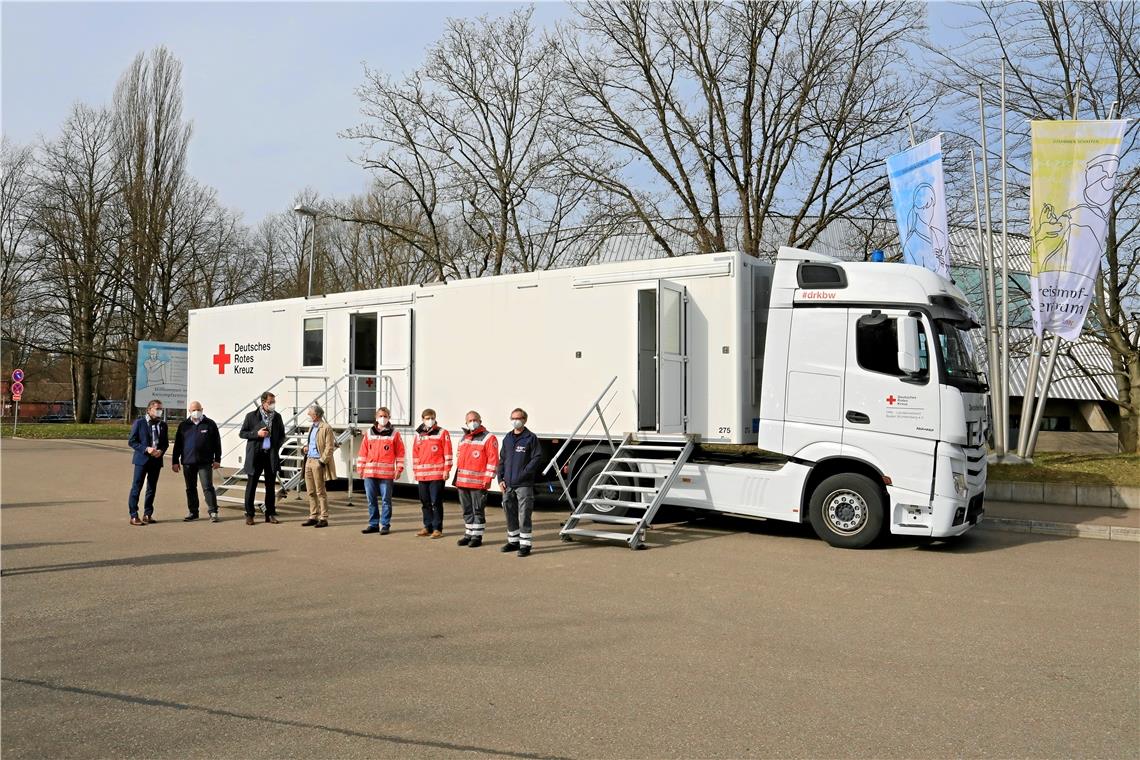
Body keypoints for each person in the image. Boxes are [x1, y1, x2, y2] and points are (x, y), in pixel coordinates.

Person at [497, 408, 542, 557]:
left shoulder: (530, 438)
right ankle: (513, 541)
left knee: (524, 515)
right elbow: (502, 460)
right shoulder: (508, 438)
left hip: (524, 484)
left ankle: (525, 545)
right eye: (513, 418)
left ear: (524, 420)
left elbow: (536, 458)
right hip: (508, 484)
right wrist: (500, 479)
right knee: (509, 513)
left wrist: (524, 474)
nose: (515, 420)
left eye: (518, 418)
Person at [239, 391, 286, 525]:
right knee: (251, 485)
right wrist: (257, 434)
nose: (273, 405)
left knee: (270, 487)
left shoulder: (277, 417)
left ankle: (270, 513)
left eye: (274, 402)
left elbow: (282, 435)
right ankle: (249, 514)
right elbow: (242, 433)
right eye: (270, 402)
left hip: (270, 455)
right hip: (255, 456)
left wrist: (276, 446)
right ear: (263, 403)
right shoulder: (251, 416)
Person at [172, 400, 223, 523]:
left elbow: (217, 443)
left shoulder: (210, 424)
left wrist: (217, 459)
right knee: (190, 488)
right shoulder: (184, 425)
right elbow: (178, 445)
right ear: (189, 411)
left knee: (207, 487)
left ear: (202, 410)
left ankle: (213, 511)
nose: (196, 412)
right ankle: (193, 512)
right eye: (193, 410)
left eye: (198, 409)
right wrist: (175, 461)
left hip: (204, 462)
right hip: (188, 462)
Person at [454, 410, 499, 549]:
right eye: (469, 420)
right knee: (466, 509)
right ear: (466, 423)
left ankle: (477, 536)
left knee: (478, 509)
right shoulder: (464, 438)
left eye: (475, 420)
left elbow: (493, 460)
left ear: (480, 420)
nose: (472, 423)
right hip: (462, 482)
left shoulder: (489, 438)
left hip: (479, 482)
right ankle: (468, 534)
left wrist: (488, 478)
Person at [356, 406, 404, 535]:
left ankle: (385, 525)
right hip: (370, 472)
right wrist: (360, 468)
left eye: (385, 416)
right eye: (380, 416)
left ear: (389, 417)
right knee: (371, 499)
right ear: (376, 418)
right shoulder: (369, 432)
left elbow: (400, 452)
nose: (383, 418)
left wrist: (399, 468)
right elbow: (363, 451)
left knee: (386, 500)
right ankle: (373, 524)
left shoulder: (395, 433)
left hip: (386, 473)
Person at [412, 407, 452, 538]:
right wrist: (416, 471)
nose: (430, 420)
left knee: (436, 502)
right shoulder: (418, 434)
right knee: (425, 502)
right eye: (427, 418)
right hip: (422, 475)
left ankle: (437, 528)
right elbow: (415, 454)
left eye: (432, 418)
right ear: (422, 420)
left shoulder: (442, 433)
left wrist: (446, 470)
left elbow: (447, 452)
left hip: (437, 474)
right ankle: (427, 526)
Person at [127, 399, 168, 526]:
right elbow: (132, 441)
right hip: (142, 460)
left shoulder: (163, 425)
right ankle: (134, 515)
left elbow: (165, 443)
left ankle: (148, 514)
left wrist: (161, 451)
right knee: (137, 487)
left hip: (156, 460)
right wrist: (146, 449)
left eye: (161, 409)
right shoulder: (139, 423)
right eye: (157, 408)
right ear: (149, 410)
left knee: (151, 488)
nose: (159, 411)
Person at [299, 404, 337, 528]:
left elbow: (329, 447)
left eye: (310, 413)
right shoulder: (312, 427)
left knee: (320, 491)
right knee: (310, 491)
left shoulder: (326, 428)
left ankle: (324, 517)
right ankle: (313, 516)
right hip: (309, 460)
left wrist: (322, 461)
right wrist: (305, 448)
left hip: (317, 462)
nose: (309, 415)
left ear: (317, 415)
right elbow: (311, 442)